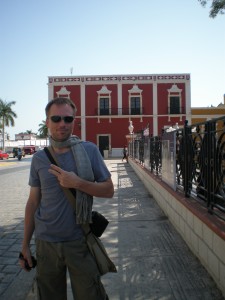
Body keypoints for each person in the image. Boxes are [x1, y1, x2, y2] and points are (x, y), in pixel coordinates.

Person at [19, 97, 114, 300]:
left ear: (74, 121)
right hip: (46, 244)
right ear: (47, 122)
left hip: (80, 241)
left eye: (68, 119)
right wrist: (25, 245)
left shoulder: (89, 150)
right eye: (56, 118)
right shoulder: (39, 158)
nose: (62, 123)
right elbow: (33, 202)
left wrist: (78, 183)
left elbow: (108, 190)